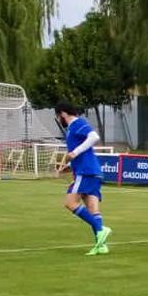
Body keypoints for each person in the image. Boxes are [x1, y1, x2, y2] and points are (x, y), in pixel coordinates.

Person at [55, 102, 112, 255]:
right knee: (93, 209)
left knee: (70, 203)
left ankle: (101, 229)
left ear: (63, 113)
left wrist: (75, 153)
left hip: (86, 171)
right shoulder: (71, 129)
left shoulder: (76, 123)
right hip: (91, 171)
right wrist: (68, 165)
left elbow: (94, 137)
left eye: (58, 115)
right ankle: (101, 246)